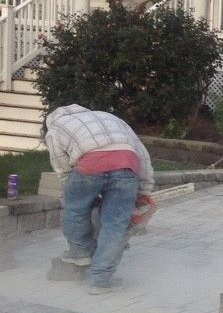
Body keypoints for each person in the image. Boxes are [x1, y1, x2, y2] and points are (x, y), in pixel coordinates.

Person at [44, 104, 154, 294]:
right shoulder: (109, 117)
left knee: (75, 210)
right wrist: (145, 189)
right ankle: (101, 281)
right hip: (126, 164)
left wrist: (74, 188)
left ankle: (81, 254)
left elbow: (61, 166)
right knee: (116, 224)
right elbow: (142, 154)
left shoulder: (56, 128)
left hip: (88, 166)